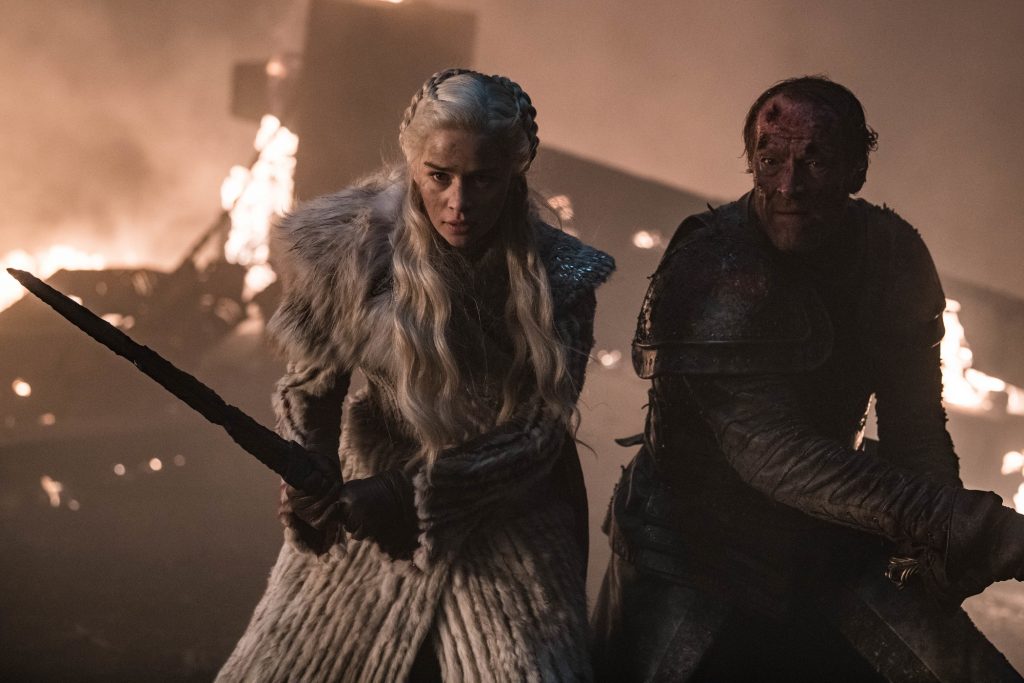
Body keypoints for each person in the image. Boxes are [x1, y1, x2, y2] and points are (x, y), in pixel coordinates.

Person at [591, 75, 1024, 682]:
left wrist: (939, 549)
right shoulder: (714, 261)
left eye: (815, 161)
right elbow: (773, 454)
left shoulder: (891, 254)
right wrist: (969, 525)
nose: (789, 186)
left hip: (833, 536)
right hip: (692, 550)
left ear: (856, 171)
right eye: (770, 161)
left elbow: (917, 425)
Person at [217, 68, 614, 682]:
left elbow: (537, 433)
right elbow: (311, 383)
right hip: (362, 509)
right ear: (414, 166)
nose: (459, 202)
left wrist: (408, 495)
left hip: (505, 514)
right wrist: (312, 464)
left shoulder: (559, 278)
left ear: (514, 175)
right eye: (440, 176)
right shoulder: (350, 247)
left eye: (483, 179)